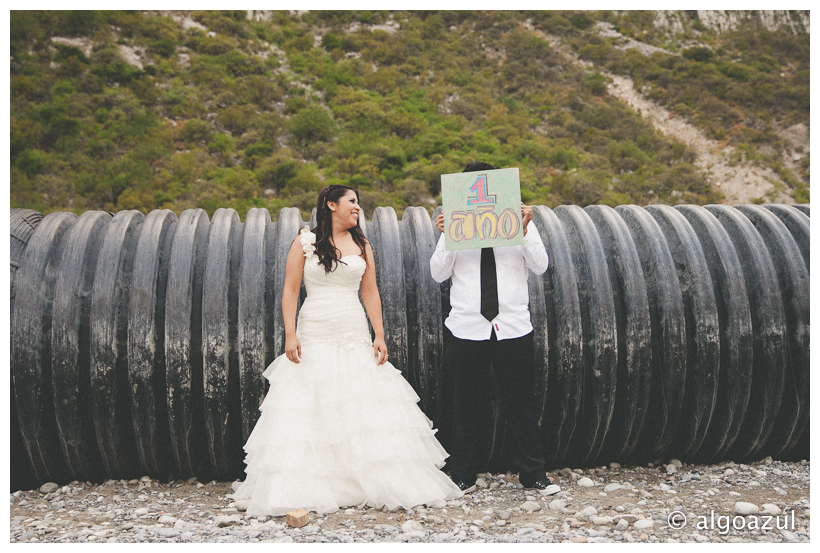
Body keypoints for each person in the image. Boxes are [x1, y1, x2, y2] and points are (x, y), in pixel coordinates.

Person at [231, 185, 462, 516]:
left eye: (358, 202)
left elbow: (370, 293)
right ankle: (311, 483)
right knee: (309, 401)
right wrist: (290, 334)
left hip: (352, 328)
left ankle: (366, 479)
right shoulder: (304, 241)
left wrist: (379, 334)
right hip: (314, 328)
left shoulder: (362, 244)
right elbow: (290, 290)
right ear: (330, 204)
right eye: (351, 201)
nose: (357, 207)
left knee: (360, 400)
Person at [430, 161, 560, 495]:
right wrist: (446, 235)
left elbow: (541, 266)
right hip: (466, 329)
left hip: (513, 327)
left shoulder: (517, 221)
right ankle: (463, 473)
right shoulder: (457, 226)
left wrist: (527, 228)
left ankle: (533, 474)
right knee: (465, 404)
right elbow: (438, 274)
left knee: (521, 403)